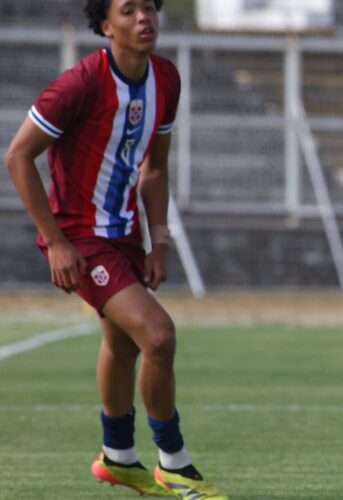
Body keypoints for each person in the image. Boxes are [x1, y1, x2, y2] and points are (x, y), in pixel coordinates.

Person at [4, 1, 227, 498]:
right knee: (159, 336)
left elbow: (155, 168)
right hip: (81, 238)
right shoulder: (80, 85)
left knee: (123, 344)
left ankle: (119, 458)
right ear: (106, 27)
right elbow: (19, 156)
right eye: (129, 11)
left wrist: (159, 239)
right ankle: (175, 464)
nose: (144, 17)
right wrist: (56, 242)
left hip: (125, 234)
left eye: (150, 7)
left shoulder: (166, 79)